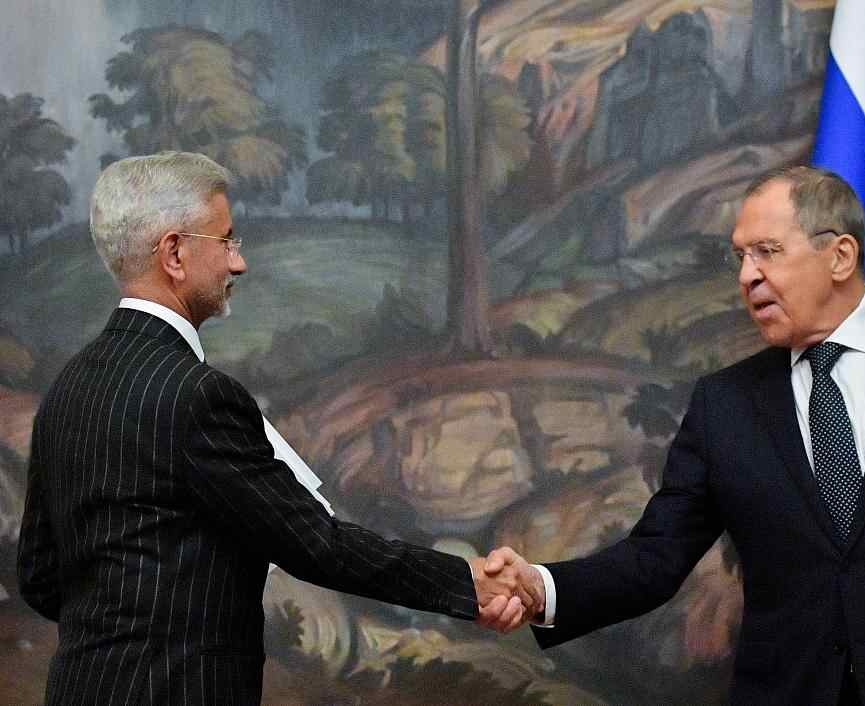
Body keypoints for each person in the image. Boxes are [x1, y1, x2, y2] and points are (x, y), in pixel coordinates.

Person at [484, 166, 865, 705]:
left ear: (839, 256)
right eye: (740, 257)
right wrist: (541, 588)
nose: (747, 276)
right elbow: (653, 558)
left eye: (767, 251)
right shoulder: (723, 405)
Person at [16, 151, 535, 706]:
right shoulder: (200, 396)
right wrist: (467, 582)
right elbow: (317, 544)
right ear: (174, 254)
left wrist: (119, 630)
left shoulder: (68, 388)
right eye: (226, 241)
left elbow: (40, 576)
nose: (238, 263)